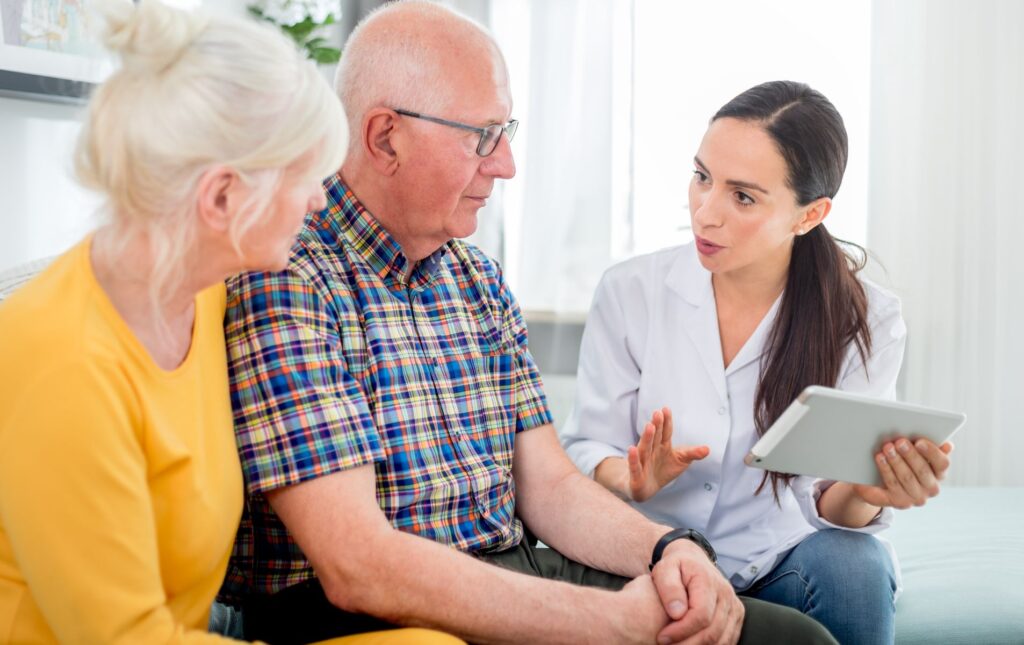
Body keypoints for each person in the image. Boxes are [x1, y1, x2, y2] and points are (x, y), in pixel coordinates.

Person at [217, 4, 839, 645]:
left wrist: (669, 547)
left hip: (508, 566)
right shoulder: (289, 277)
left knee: (792, 640)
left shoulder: (476, 279)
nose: (506, 164)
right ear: (384, 138)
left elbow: (547, 487)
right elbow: (357, 567)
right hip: (367, 612)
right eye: (481, 136)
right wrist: (607, 624)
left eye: (505, 131)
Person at [0, 1, 458, 643]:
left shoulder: (206, 294)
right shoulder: (60, 358)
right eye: (305, 177)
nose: (320, 200)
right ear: (221, 198)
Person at [560, 80, 955, 645]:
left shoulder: (867, 319)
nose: (705, 212)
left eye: (742, 197)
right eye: (702, 177)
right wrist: (633, 478)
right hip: (655, 560)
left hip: (779, 563)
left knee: (855, 565)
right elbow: (585, 445)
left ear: (809, 214)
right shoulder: (630, 291)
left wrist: (869, 492)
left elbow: (831, 505)